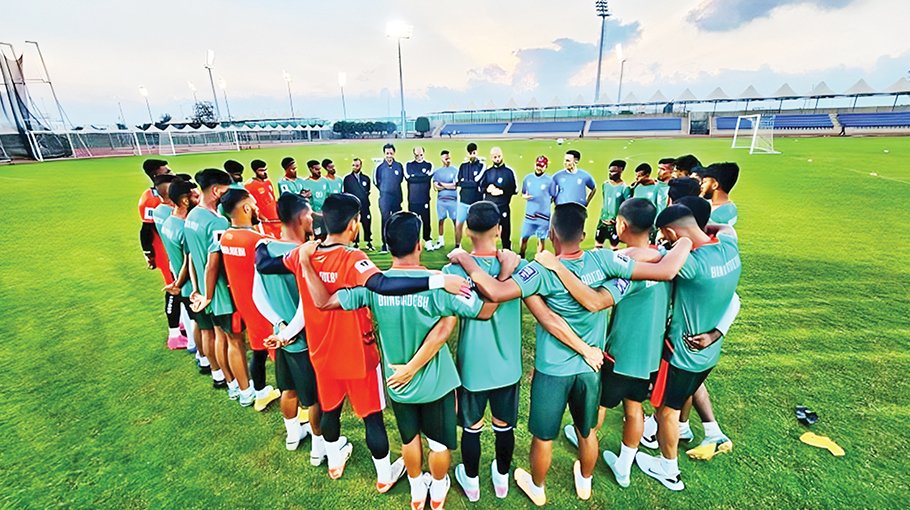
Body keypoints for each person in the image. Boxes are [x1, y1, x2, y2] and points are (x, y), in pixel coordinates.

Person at [449, 203, 693, 506]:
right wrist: (684, 239)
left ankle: (538, 487)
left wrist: (467, 262)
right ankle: (585, 482)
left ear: (551, 233)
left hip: (553, 370)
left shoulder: (538, 271)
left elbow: (496, 293)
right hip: (590, 368)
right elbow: (666, 270)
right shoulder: (603, 259)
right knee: (587, 431)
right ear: (584, 233)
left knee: (544, 437)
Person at [256, 193, 470, 489]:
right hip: (358, 353)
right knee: (371, 417)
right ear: (354, 225)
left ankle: (333, 461)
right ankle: (384, 476)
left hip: (321, 352)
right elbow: (382, 284)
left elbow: (265, 263)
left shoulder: (304, 254)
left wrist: (260, 242)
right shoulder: (353, 258)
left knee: (329, 408)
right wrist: (436, 280)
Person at [300, 211, 499, 510]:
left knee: (409, 441)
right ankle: (439, 488)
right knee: (439, 444)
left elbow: (323, 302)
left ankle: (417, 490)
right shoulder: (444, 284)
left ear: (388, 246)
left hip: (398, 384)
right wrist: (501, 273)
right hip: (437, 384)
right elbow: (486, 309)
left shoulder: (373, 287)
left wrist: (305, 263)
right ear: (419, 245)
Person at [635, 204, 741, 492]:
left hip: (680, 352)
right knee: (687, 395)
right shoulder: (729, 246)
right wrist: (699, 231)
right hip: (708, 352)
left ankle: (668, 469)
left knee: (665, 410)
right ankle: (682, 432)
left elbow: (656, 259)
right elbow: (724, 228)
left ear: (670, 233)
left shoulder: (690, 264)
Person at [443, 201, 525, 502]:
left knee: (472, 428)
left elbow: (478, 312)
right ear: (499, 229)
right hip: (507, 366)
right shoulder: (519, 267)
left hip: (473, 365)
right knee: (504, 427)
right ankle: (501, 481)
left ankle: (473, 482)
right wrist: (505, 272)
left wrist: (466, 262)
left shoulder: (452, 270)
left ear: (465, 230)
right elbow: (490, 305)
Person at [252, 194, 324, 459]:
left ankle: (293, 436)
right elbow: (307, 305)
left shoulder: (265, 248)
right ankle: (319, 449)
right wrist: (287, 333)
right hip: (302, 338)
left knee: (287, 389)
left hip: (279, 334)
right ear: (299, 217)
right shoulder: (306, 254)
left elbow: (256, 295)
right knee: (315, 398)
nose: (312, 218)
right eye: (309, 214)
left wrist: (278, 327)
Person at [218, 188, 282, 411]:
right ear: (246, 208)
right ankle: (297, 404)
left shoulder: (226, 237)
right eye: (254, 205)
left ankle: (260, 391)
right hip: (265, 307)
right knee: (281, 355)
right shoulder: (259, 241)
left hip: (244, 305)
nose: (257, 208)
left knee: (258, 349)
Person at [183, 168, 233, 392]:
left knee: (215, 335)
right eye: (225, 191)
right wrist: (210, 295)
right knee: (231, 340)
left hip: (202, 290)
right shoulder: (218, 222)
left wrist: (196, 289)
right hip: (217, 291)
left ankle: (221, 376)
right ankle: (237, 384)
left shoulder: (191, 216)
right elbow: (213, 263)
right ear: (215, 190)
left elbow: (192, 256)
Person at [160, 179, 211, 372]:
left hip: (183, 284)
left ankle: (201, 356)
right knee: (204, 328)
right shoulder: (185, 228)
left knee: (196, 323)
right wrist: (178, 284)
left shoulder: (168, 222)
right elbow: (188, 261)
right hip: (192, 285)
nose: (199, 199)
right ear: (184, 201)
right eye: (195, 196)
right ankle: (209, 362)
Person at [138, 158, 180, 345]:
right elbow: (145, 230)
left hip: (174, 250)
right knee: (173, 289)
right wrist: (149, 254)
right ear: (157, 174)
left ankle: (182, 325)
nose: (171, 172)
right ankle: (174, 335)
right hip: (165, 252)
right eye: (167, 171)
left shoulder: (171, 193)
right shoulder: (149, 200)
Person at [148, 173, 189, 349]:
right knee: (177, 294)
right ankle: (178, 336)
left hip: (170, 259)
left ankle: (180, 332)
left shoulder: (159, 211)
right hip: (179, 263)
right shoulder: (172, 217)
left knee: (177, 295)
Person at [478, 147, 518, 250]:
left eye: (499, 156)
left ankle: (507, 251)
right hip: (490, 208)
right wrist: (488, 189)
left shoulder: (508, 172)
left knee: (505, 233)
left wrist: (502, 191)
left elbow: (514, 189)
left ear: (502, 156)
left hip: (503, 207)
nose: (497, 159)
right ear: (491, 157)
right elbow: (481, 187)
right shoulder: (488, 172)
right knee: (489, 233)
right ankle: (489, 253)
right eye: (495, 157)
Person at [519, 156, 555, 259]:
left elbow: (553, 196)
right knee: (524, 237)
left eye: (541, 166)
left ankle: (539, 261)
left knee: (541, 239)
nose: (539, 168)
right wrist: (525, 197)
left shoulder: (550, 180)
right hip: (529, 216)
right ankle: (521, 257)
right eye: (537, 165)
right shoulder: (528, 178)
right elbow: (523, 193)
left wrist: (545, 204)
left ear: (546, 167)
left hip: (543, 217)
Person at [594, 160, 631, 250]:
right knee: (598, 245)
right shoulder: (605, 185)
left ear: (621, 170)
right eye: (610, 171)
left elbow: (627, 207)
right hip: (602, 221)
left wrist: (619, 220)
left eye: (614, 171)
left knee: (614, 247)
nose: (610, 173)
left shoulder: (625, 188)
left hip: (614, 224)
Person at [375, 143, 404, 252]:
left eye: (391, 153)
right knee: (385, 220)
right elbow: (376, 181)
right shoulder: (380, 167)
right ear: (384, 153)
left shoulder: (399, 166)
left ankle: (396, 243)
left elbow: (400, 179)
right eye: (387, 153)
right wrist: (385, 190)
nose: (389, 155)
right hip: (385, 198)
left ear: (394, 153)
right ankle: (385, 244)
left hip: (397, 197)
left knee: (397, 220)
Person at [404, 146, 434, 250]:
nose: (419, 157)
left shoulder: (429, 165)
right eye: (416, 155)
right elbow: (408, 178)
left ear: (424, 154)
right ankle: (414, 242)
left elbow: (427, 177)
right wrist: (421, 177)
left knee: (426, 221)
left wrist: (415, 177)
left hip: (425, 199)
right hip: (412, 199)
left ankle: (427, 241)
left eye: (420, 155)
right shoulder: (408, 165)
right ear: (414, 155)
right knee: (413, 222)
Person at [455, 142, 484, 248]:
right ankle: (457, 246)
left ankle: (477, 248)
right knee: (459, 224)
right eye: (470, 153)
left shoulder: (481, 166)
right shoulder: (463, 166)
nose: (472, 155)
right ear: (467, 153)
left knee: (476, 227)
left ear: (476, 152)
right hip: (463, 201)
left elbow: (477, 181)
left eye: (474, 152)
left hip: (476, 203)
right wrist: (468, 183)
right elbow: (459, 182)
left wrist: (466, 182)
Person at [342, 158, 374, 251]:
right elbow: (346, 193)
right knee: (355, 225)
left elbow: (368, 191)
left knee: (367, 224)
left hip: (365, 206)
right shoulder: (347, 179)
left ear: (361, 166)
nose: (355, 167)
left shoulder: (366, 178)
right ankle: (356, 243)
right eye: (353, 165)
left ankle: (368, 242)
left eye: (357, 165)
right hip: (353, 207)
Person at [245, 159, 282, 238]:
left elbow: (273, 199)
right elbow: (252, 205)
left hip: (275, 219)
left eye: (265, 170)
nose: (264, 172)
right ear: (255, 171)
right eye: (261, 170)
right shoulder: (250, 186)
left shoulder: (268, 182)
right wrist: (263, 218)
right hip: (264, 223)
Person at [432, 149, 458, 251]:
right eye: (445, 157)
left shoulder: (455, 170)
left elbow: (454, 186)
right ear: (442, 159)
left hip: (453, 200)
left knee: (455, 221)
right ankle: (441, 241)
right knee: (441, 220)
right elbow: (436, 187)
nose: (447, 159)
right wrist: (447, 185)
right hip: (441, 201)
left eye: (448, 157)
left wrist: (442, 184)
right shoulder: (437, 172)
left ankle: (457, 243)